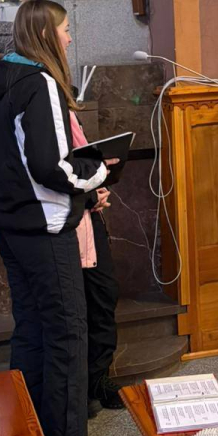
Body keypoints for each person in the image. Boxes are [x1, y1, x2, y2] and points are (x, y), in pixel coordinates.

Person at [0, 0, 116, 436]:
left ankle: (28, 428)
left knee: (32, 327)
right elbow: (50, 166)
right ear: (44, 34)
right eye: (65, 28)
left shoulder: (3, 81)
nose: (69, 37)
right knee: (66, 331)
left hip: (12, 225)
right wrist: (98, 172)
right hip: (45, 226)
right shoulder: (39, 83)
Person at [68, 105, 123, 416]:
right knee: (78, 304)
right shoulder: (38, 104)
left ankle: (98, 378)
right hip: (66, 220)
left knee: (103, 295)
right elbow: (51, 169)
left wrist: (96, 189)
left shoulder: (65, 108)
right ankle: (78, 388)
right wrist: (89, 196)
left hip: (88, 216)